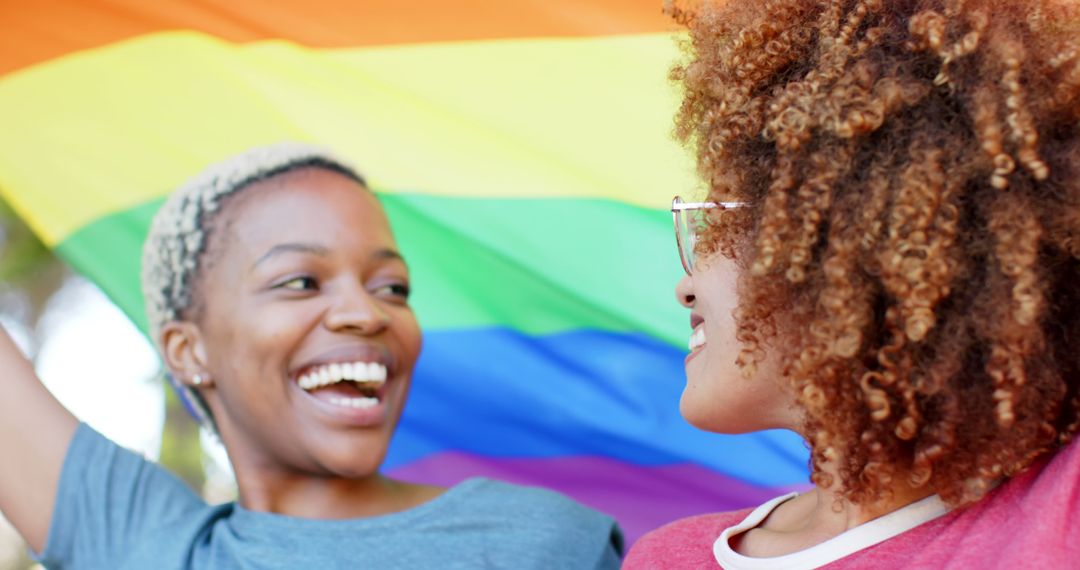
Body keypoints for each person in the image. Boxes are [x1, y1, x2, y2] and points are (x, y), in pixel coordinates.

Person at [0, 143, 623, 569]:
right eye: (300, 281)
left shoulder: (542, 541)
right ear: (189, 352)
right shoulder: (146, 544)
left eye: (392, 288)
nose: (366, 312)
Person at [625, 0, 1080, 567]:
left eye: (722, 222)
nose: (684, 288)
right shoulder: (667, 557)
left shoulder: (1061, 507)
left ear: (862, 252)